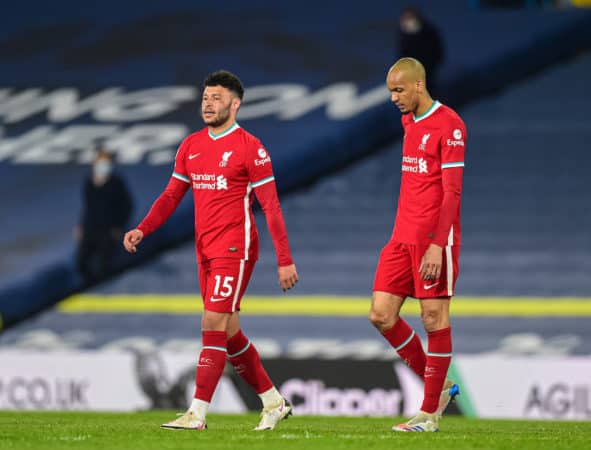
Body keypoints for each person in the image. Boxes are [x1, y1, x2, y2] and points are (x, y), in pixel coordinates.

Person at [123, 70, 299, 431]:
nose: (208, 103)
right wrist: (143, 227)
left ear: (235, 104)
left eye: (216, 98)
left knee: (212, 324)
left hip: (235, 248)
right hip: (205, 249)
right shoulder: (191, 146)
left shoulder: (251, 148)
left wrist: (285, 260)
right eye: (205, 97)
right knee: (230, 332)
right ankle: (273, 401)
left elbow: (272, 207)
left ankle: (197, 413)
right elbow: (172, 196)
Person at [369, 57, 466, 432]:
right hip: (400, 237)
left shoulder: (451, 126)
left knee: (433, 318)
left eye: (399, 90)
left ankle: (428, 414)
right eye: (391, 91)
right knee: (381, 314)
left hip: (431, 240)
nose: (394, 98)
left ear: (419, 85)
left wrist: (437, 245)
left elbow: (452, 193)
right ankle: (439, 388)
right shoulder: (409, 122)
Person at [76, 149, 133, 282]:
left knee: (104, 264)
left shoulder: (116, 183)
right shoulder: (89, 183)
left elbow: (127, 206)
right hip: (91, 228)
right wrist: (82, 226)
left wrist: (119, 226)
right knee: (81, 263)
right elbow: (88, 207)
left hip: (108, 230)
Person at [398, 7, 444, 95]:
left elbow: (436, 50)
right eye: (406, 18)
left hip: (428, 68)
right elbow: (402, 52)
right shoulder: (403, 34)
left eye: (410, 18)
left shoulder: (429, 31)